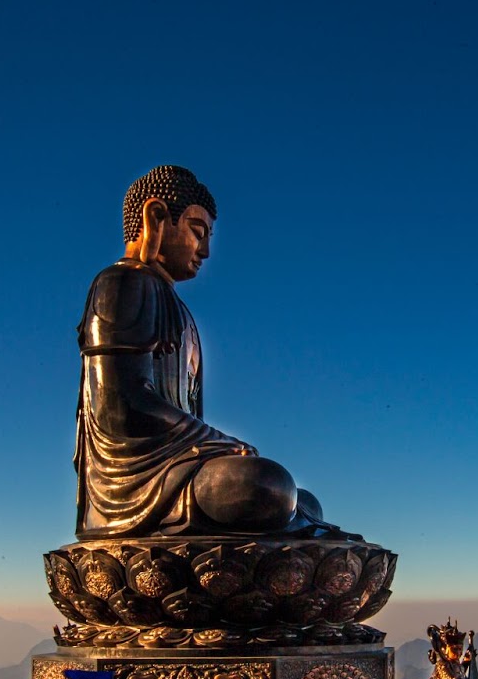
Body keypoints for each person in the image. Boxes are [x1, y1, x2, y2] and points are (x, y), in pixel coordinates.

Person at [74, 165, 338, 538]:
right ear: (157, 218)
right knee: (267, 485)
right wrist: (222, 442)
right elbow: (123, 406)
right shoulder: (120, 284)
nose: (207, 251)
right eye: (198, 233)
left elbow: (186, 411)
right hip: (137, 482)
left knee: (299, 498)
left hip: (182, 465)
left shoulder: (180, 312)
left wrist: (218, 449)